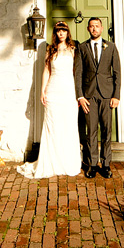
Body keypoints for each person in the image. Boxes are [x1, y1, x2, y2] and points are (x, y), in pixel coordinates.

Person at [17, 21, 83, 179]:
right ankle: (51, 161)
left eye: (64, 31)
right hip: (53, 90)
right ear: (55, 33)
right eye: (59, 31)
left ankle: (67, 161)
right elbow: (46, 70)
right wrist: (42, 90)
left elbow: (76, 72)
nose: (61, 34)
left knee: (68, 125)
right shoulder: (50, 50)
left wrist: (77, 94)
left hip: (68, 90)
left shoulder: (73, 49)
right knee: (53, 126)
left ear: (68, 33)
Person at [75, 17, 121, 179]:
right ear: (88, 29)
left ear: (101, 29)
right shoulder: (82, 47)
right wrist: (80, 95)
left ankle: (106, 164)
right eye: (91, 26)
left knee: (107, 131)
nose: (94, 29)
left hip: (107, 96)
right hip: (89, 96)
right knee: (91, 131)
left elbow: (117, 72)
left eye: (97, 26)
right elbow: (78, 73)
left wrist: (116, 96)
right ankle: (92, 164)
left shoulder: (111, 47)